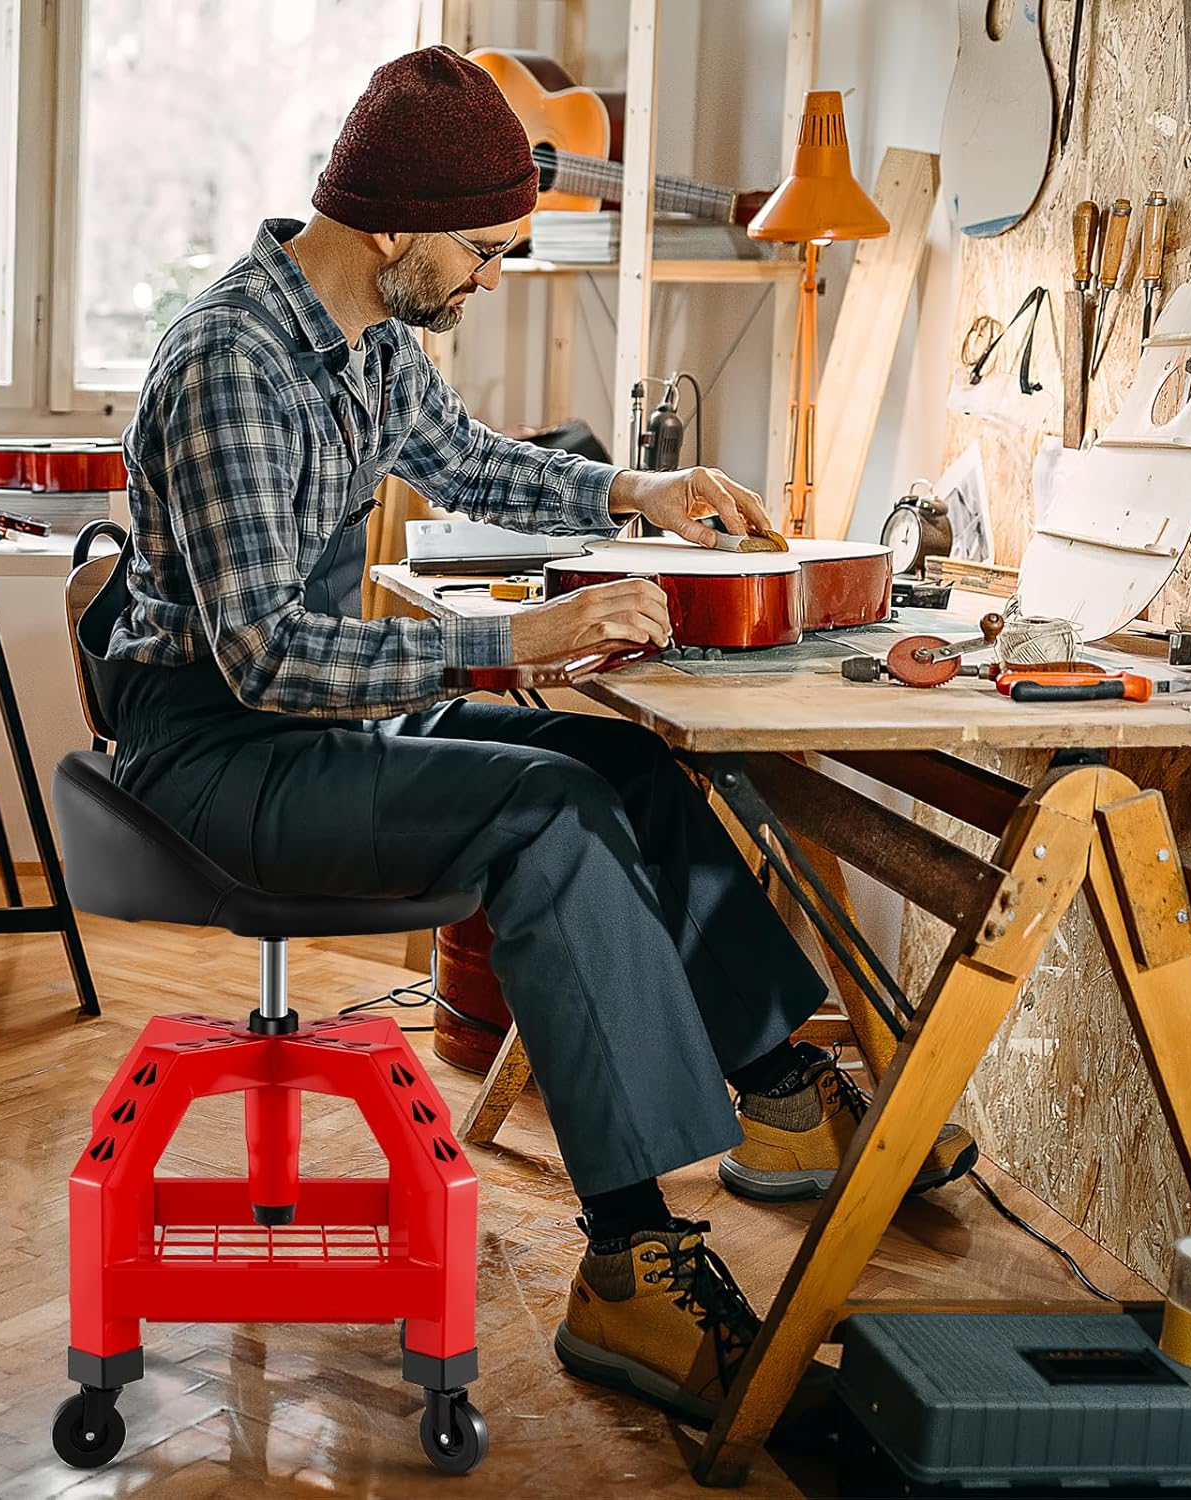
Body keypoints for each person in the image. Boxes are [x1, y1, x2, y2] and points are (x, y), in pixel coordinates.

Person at [103, 45, 974, 1427]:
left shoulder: (368, 343)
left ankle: (778, 1089)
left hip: (316, 727)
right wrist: (513, 645)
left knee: (615, 762)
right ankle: (631, 1263)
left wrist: (645, 488)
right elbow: (264, 659)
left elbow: (472, 458)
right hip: (213, 757)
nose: (491, 279)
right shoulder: (232, 364)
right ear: (394, 221)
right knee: (545, 817)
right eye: (487, 253)